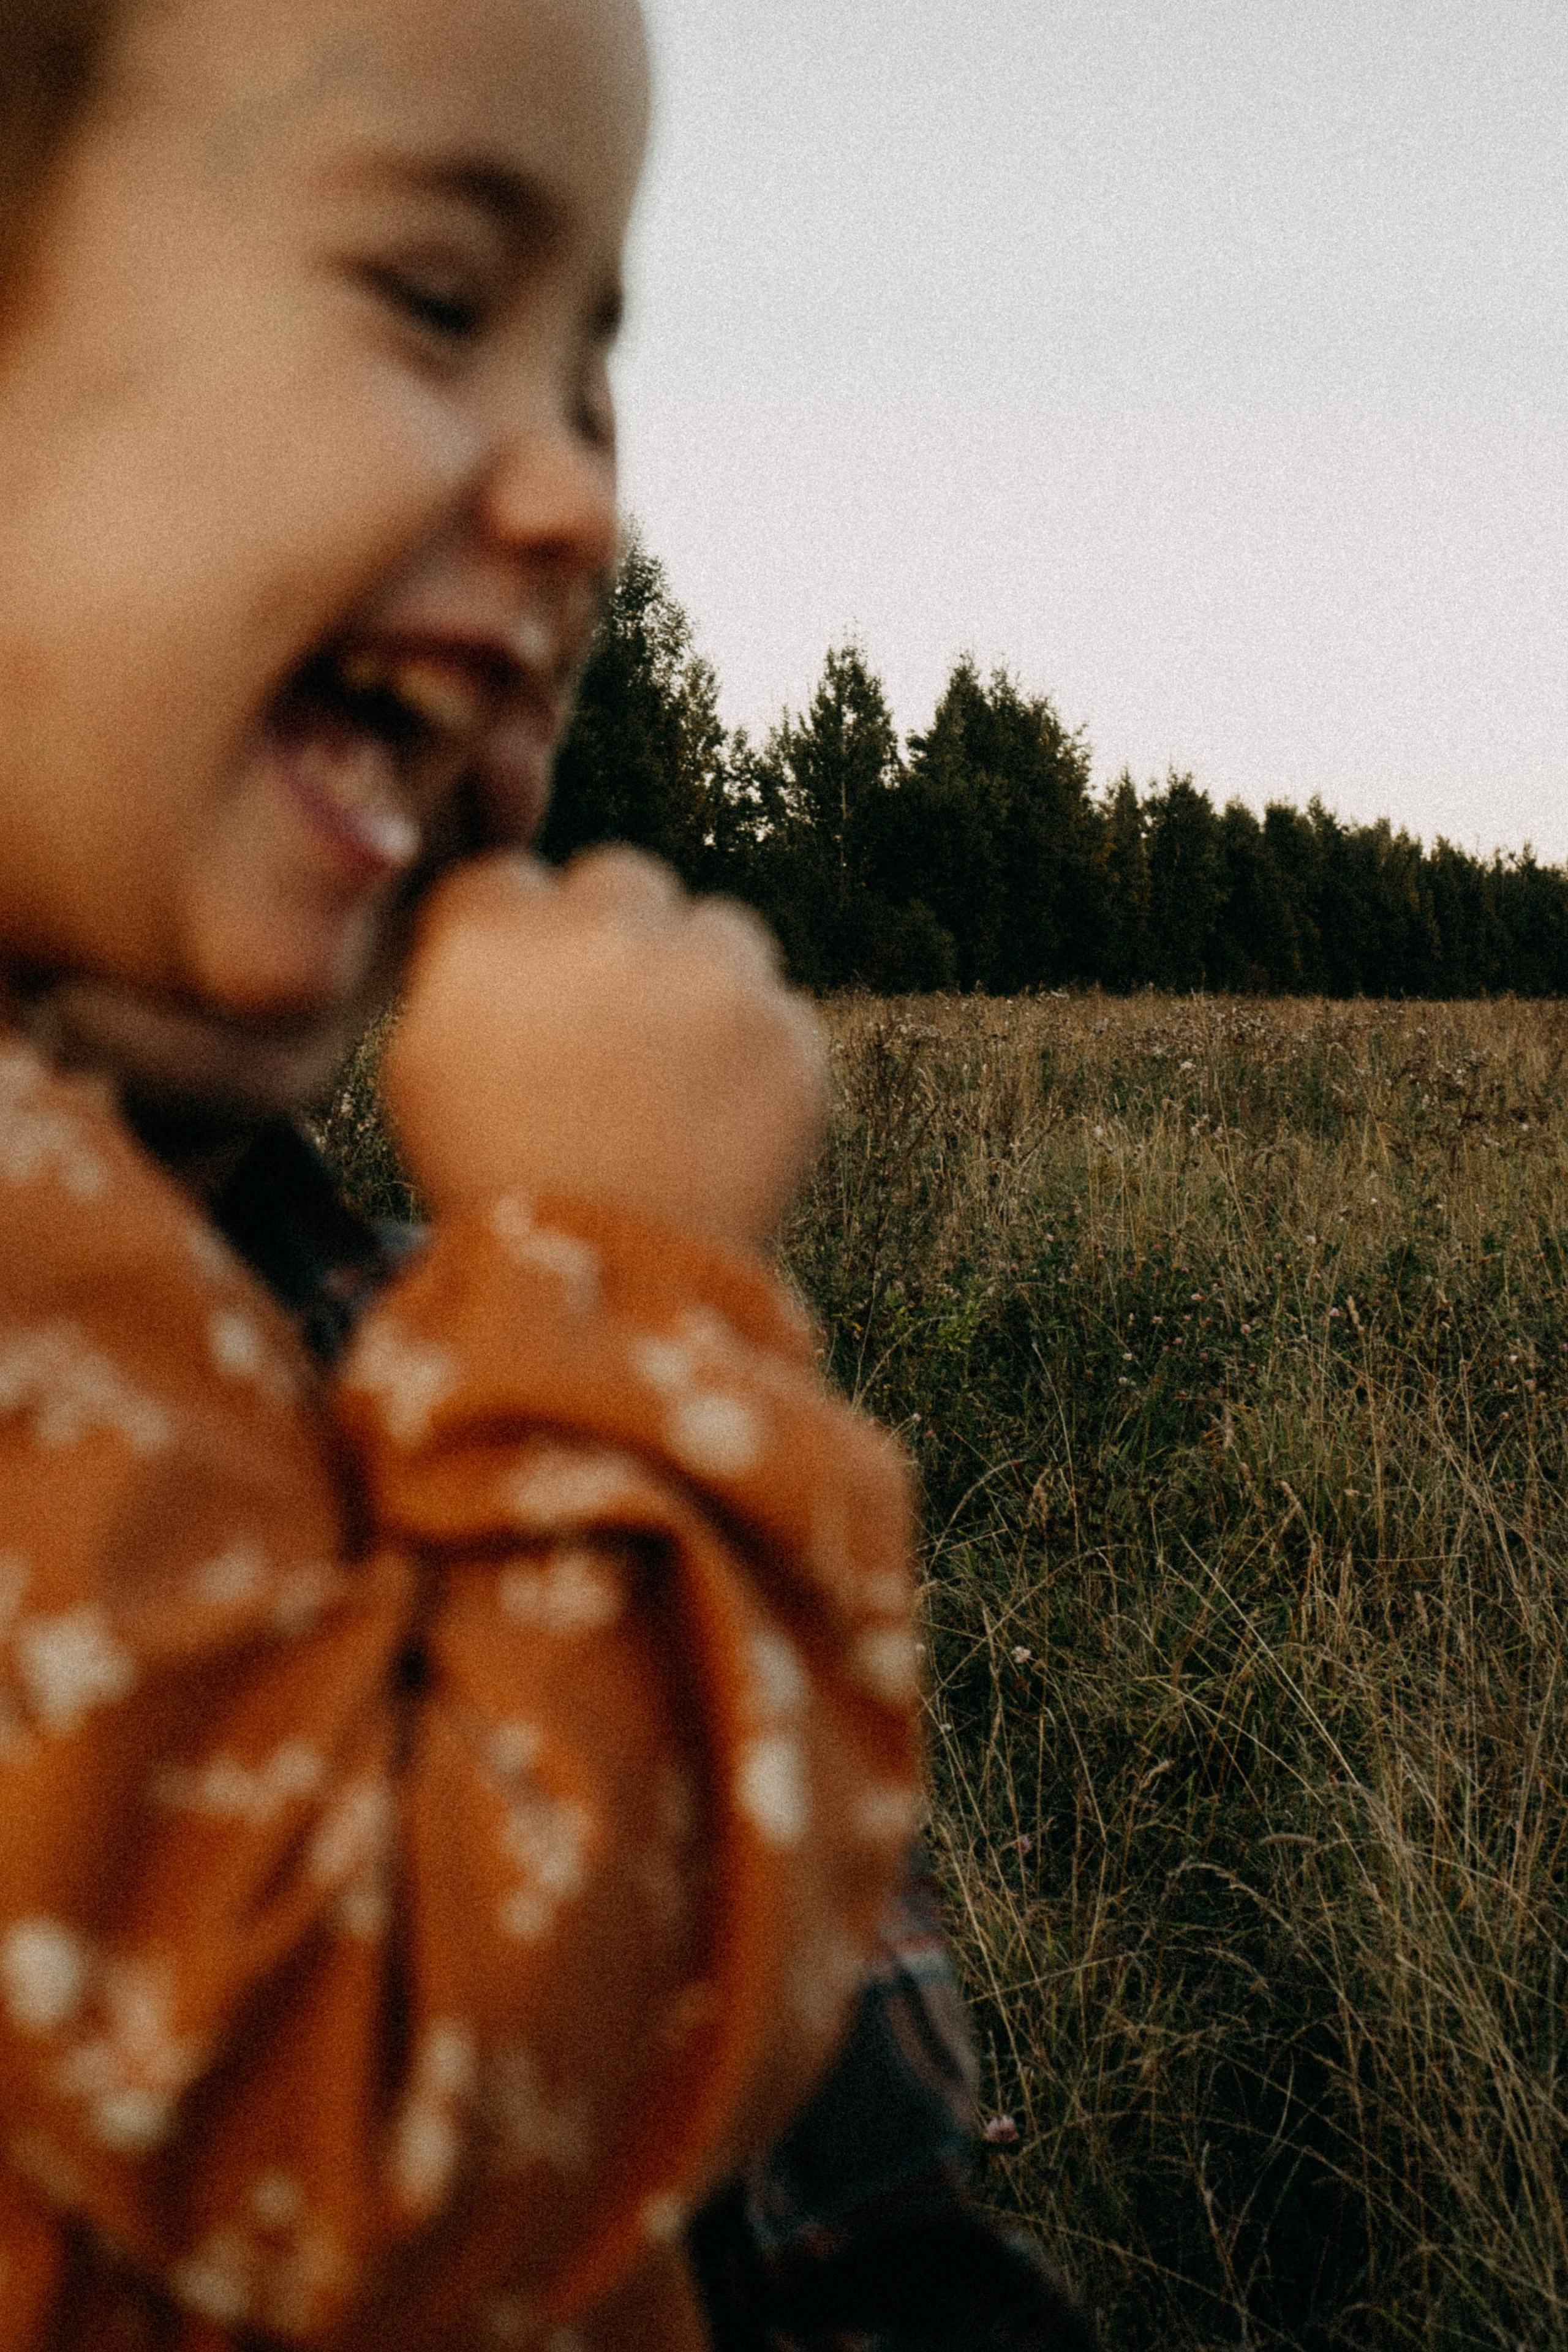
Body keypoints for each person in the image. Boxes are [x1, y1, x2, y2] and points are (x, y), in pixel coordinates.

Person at [0, 0, 922, 2343]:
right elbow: (418, 2129)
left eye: (592, 379)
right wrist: (615, 1277)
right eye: (436, 299)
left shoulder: (182, 1217)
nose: (582, 504)